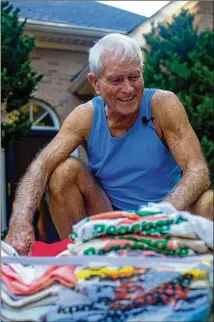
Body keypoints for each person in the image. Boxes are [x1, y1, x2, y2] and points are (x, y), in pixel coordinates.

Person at [5, 33, 213, 255]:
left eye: (134, 77)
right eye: (116, 80)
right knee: (63, 171)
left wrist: (160, 213)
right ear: (95, 83)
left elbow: (198, 171)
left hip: (168, 216)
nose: (128, 89)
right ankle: (82, 257)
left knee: (209, 200)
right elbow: (42, 165)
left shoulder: (162, 104)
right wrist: (20, 220)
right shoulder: (85, 116)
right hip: (109, 219)